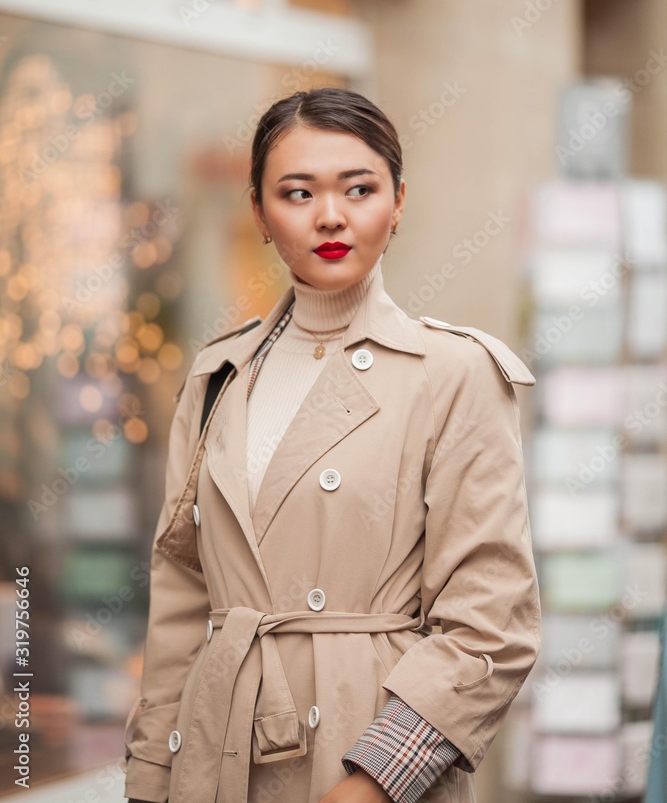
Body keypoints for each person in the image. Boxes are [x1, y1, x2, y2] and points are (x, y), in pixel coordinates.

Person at [123, 87, 541, 803]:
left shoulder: (453, 371)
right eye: (297, 192)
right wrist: (151, 775)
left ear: (398, 202)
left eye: (359, 189)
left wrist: (374, 780)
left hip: (364, 751)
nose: (330, 216)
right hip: (216, 754)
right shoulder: (219, 374)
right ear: (259, 213)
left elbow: (491, 621)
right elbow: (182, 597)